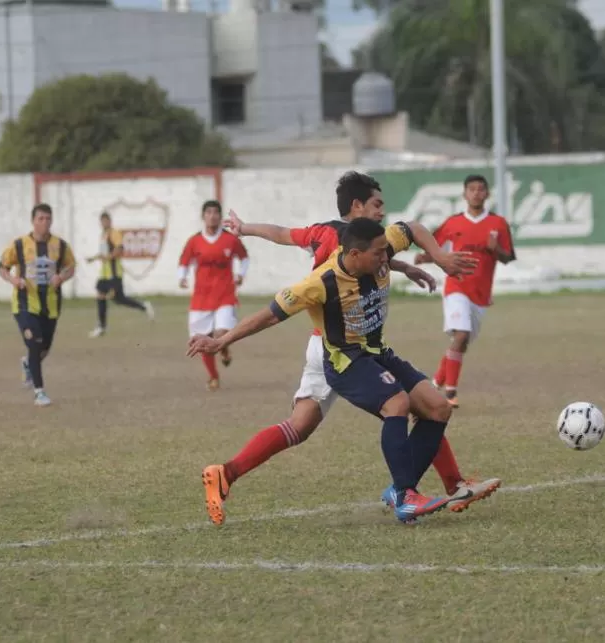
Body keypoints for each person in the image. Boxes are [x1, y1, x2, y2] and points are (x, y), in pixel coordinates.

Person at [202, 173, 499, 526]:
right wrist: (222, 340)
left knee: (415, 408)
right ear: (357, 208)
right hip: (333, 347)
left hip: (365, 346)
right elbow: (273, 312)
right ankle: (416, 491)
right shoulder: (331, 259)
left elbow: (288, 234)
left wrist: (245, 226)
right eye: (377, 204)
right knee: (397, 404)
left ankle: (227, 473)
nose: (382, 212)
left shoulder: (364, 240)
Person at [415, 174, 516, 408]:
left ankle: (436, 383)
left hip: (480, 295)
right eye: (472, 189)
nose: (476, 193)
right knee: (460, 335)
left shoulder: (498, 224)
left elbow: (509, 257)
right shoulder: (453, 223)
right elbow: (435, 246)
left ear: (487, 194)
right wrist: (426, 257)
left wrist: (496, 249)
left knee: (460, 343)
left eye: (481, 189)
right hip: (456, 286)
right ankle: (450, 393)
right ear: (464, 194)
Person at [0, 203, 76, 406]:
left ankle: (28, 365)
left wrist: (61, 277)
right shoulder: (19, 245)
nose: (45, 223)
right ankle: (39, 392)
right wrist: (13, 280)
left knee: (44, 348)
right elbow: (2, 267)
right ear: (33, 221)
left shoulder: (60, 246)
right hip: (25, 303)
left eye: (48, 219)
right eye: (41, 219)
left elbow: (70, 267)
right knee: (34, 343)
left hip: (50, 304)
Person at [178, 200, 249, 390]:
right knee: (201, 340)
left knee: (220, 333)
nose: (212, 216)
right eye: (208, 212)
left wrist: (241, 274)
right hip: (201, 299)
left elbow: (244, 258)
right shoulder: (194, 241)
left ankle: (223, 347)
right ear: (203, 216)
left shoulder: (230, 240)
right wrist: (182, 277)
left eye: (216, 212)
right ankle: (213, 376)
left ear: (220, 216)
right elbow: (184, 261)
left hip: (225, 296)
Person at [87, 211, 154, 338]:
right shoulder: (103, 235)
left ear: (109, 221)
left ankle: (144, 306)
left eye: (106, 220)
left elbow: (120, 249)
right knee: (100, 295)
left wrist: (109, 257)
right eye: (102, 221)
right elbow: (104, 253)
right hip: (105, 274)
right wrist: (93, 258)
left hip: (114, 273)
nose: (104, 223)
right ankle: (101, 327)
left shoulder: (114, 233)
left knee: (119, 299)